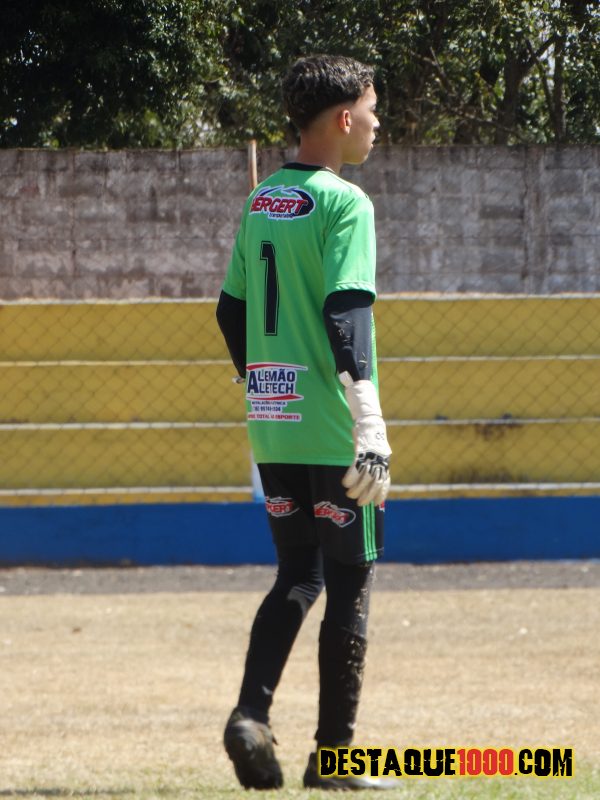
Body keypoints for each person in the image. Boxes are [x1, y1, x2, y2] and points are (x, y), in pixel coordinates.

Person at [216, 54, 392, 791]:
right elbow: (345, 309)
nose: (378, 125)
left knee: (297, 572)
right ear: (344, 118)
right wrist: (369, 421)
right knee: (349, 580)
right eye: (373, 111)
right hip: (331, 427)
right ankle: (335, 758)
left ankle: (250, 714)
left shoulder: (261, 200)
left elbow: (230, 311)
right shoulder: (346, 203)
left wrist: (260, 381)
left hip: (273, 421)